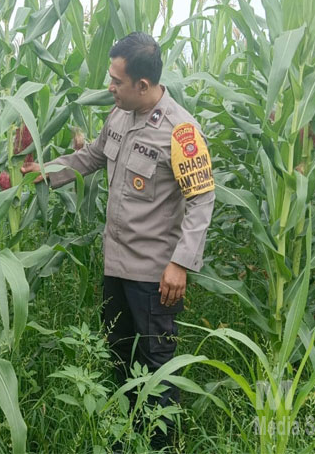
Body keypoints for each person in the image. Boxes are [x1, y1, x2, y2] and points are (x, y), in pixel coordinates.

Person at [21, 32, 215, 450]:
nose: (109, 87)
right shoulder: (120, 115)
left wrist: (181, 263)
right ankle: (126, 438)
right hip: (116, 265)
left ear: (142, 85)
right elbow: (91, 156)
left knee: (156, 364)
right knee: (119, 354)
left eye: (116, 81)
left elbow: (201, 200)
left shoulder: (181, 131)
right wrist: (47, 171)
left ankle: (159, 444)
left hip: (155, 275)